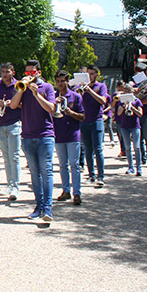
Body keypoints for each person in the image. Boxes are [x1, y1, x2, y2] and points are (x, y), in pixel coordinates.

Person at [10, 59, 56, 221]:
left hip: (45, 135)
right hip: (28, 136)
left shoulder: (47, 87)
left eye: (32, 72)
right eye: (27, 73)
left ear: (39, 73)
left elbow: (51, 108)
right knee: (35, 173)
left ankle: (48, 209)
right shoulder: (22, 88)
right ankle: (39, 205)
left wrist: (36, 94)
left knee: (46, 172)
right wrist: (22, 90)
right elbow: (13, 106)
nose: (29, 75)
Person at [0, 63, 22, 201]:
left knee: (14, 156)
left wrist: (11, 103)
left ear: (13, 72)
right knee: (6, 157)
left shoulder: (19, 86)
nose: (4, 74)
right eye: (2, 71)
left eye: (7, 71)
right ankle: (9, 184)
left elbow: (22, 104)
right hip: (0, 124)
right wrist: (0, 105)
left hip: (14, 123)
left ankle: (16, 186)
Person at [53, 71, 85, 205]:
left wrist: (70, 112)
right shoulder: (53, 96)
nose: (60, 84)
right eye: (58, 81)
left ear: (67, 81)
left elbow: (83, 117)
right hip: (58, 134)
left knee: (74, 164)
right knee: (62, 165)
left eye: (63, 81)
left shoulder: (75, 96)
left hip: (72, 134)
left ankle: (77, 192)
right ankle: (66, 190)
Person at [79, 65, 108, 187]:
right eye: (88, 74)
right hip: (84, 121)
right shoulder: (80, 87)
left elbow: (103, 101)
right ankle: (91, 175)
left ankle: (100, 176)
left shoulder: (101, 86)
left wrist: (90, 91)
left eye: (92, 74)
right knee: (87, 149)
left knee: (98, 149)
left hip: (96, 120)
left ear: (96, 75)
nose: (89, 76)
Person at [115, 83, 145, 176]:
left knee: (137, 146)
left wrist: (132, 108)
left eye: (128, 91)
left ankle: (139, 167)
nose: (126, 93)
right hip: (124, 126)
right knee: (127, 147)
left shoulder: (137, 101)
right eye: (125, 91)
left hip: (135, 125)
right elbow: (119, 113)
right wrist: (124, 106)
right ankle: (130, 166)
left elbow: (140, 114)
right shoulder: (121, 101)